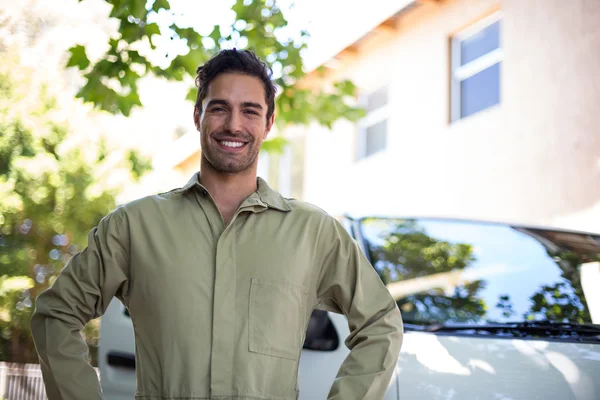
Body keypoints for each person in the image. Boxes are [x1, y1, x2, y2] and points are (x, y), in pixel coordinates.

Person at [30, 48, 403, 400]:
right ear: (198, 116)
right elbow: (56, 315)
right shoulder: (133, 226)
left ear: (269, 123)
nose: (234, 124)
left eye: (251, 111)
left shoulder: (314, 233)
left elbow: (380, 325)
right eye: (219, 108)